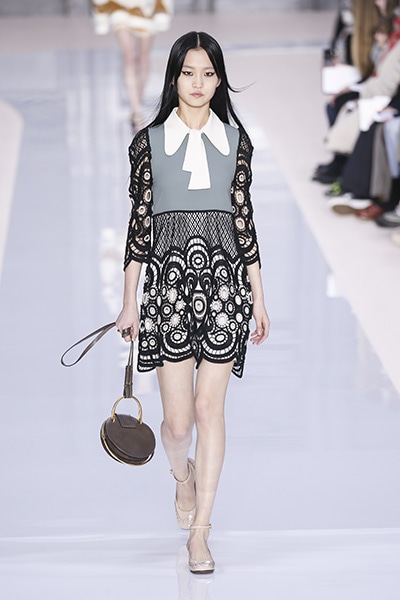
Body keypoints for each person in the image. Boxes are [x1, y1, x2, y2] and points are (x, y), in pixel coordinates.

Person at [116, 31, 270, 574]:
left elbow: (244, 221)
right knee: (178, 425)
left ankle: (201, 532)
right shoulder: (149, 142)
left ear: (220, 79)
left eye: (208, 73)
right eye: (188, 73)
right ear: (174, 78)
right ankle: (182, 477)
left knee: (210, 410)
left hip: (225, 286)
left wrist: (258, 296)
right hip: (168, 287)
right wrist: (130, 300)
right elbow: (139, 225)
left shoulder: (236, 141)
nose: (198, 83)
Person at [91, 0, 174, 130]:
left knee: (143, 58)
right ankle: (136, 111)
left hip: (146, 7)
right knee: (129, 56)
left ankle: (137, 105)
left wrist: (162, 9)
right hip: (119, 7)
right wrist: (100, 12)